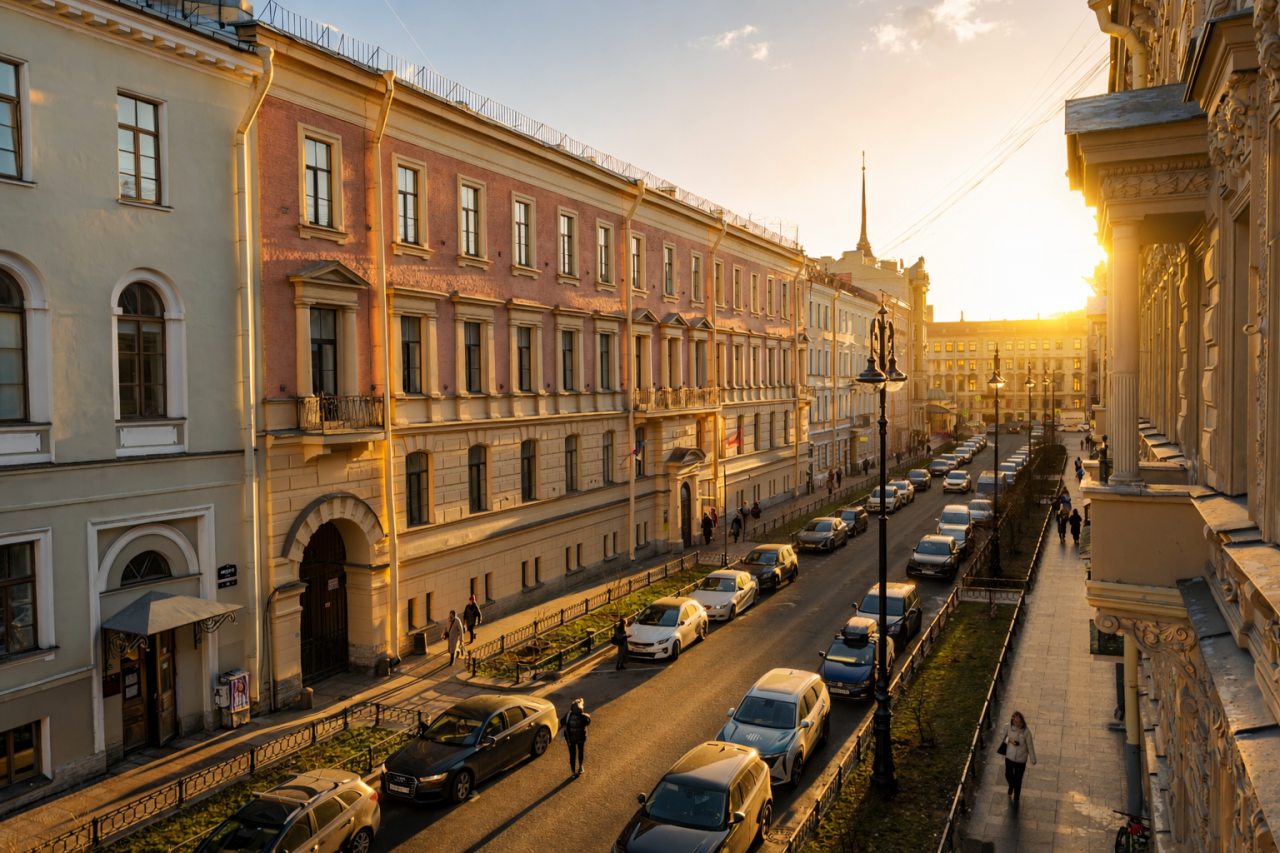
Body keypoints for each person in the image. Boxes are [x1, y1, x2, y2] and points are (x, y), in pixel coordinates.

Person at [1000, 711, 1037, 803]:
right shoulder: (1007, 727)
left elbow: (1030, 746)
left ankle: (1016, 795)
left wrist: (1033, 759)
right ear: (1012, 720)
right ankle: (1012, 785)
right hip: (1009, 756)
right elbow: (1002, 737)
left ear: (1022, 721)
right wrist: (1009, 740)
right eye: (1015, 721)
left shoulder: (1026, 732)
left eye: (1019, 722)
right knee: (1008, 774)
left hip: (1021, 759)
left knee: (1018, 778)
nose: (1017, 724)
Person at [561, 697, 591, 778]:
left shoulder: (568, 715)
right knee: (580, 752)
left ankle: (573, 772)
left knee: (572, 755)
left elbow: (562, 722)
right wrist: (586, 715)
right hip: (581, 739)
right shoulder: (583, 717)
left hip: (570, 739)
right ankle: (580, 767)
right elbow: (588, 722)